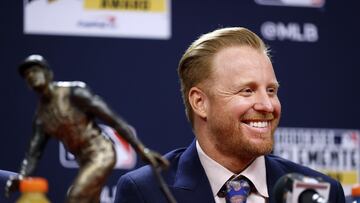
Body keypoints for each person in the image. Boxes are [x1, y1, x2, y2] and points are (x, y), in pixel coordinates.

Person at [114, 27, 345, 203]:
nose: (267, 105)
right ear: (200, 102)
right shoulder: (146, 191)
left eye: (271, 91)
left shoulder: (318, 192)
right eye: (247, 91)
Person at [5, 55, 168, 203]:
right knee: (88, 200)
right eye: (27, 75)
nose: (31, 76)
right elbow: (33, 154)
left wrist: (141, 149)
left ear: (48, 73)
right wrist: (22, 177)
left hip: (101, 152)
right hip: (83, 160)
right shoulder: (41, 118)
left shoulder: (73, 92)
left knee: (75, 196)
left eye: (35, 70)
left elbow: (112, 119)